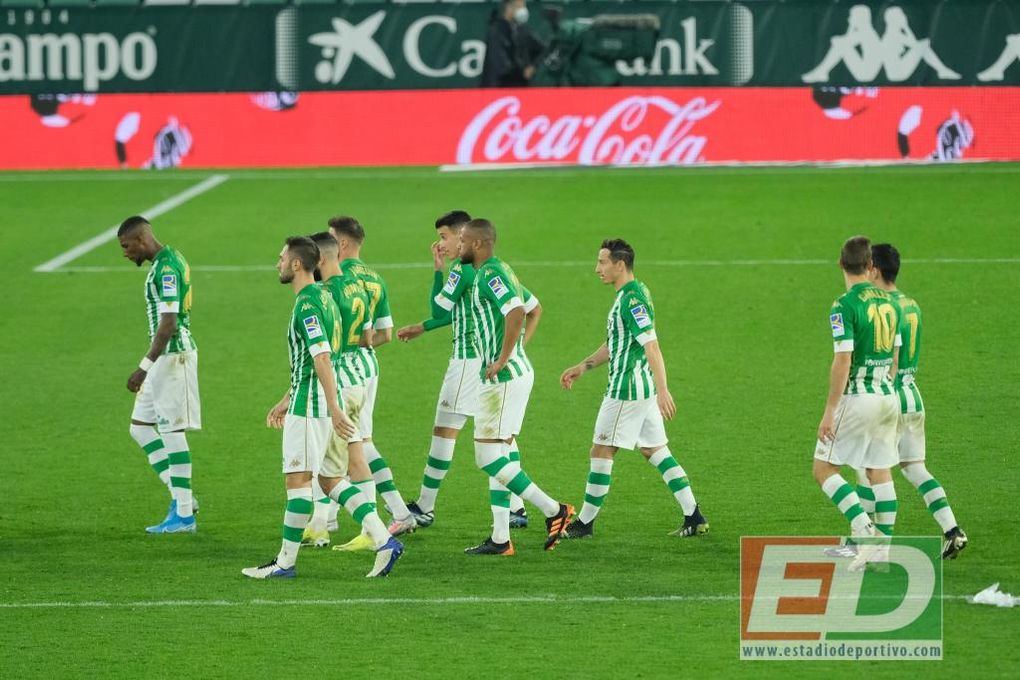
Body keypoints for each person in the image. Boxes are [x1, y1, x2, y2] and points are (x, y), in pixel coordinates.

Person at [242, 237, 402, 579]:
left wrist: (330, 406)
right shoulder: (325, 297)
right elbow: (314, 359)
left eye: (281, 258)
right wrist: (289, 398)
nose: (277, 263)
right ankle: (384, 540)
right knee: (330, 480)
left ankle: (285, 563)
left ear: (297, 264)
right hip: (324, 399)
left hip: (313, 407)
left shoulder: (307, 305)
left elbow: (322, 357)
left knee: (298, 482)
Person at [397, 211, 541, 529]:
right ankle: (517, 508)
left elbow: (440, 308)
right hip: (490, 360)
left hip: (467, 362)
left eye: (446, 237)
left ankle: (425, 505)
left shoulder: (462, 270)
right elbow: (532, 307)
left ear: (465, 237)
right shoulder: (491, 270)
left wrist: (437, 269)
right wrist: (514, 350)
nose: (441, 244)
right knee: (501, 437)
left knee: (445, 431)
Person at [560, 240, 708, 539]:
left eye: (602, 262)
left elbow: (651, 345)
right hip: (642, 389)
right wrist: (584, 366)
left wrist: (664, 390)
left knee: (601, 451)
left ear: (619, 264)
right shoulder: (633, 293)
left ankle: (584, 524)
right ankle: (694, 516)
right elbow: (616, 342)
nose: (597, 268)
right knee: (655, 450)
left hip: (626, 391)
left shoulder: (632, 300)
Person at [458, 218, 573, 554]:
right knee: (501, 453)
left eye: (463, 240)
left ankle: (554, 510)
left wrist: (503, 358)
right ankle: (500, 538)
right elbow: (534, 308)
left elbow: (518, 312)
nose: (459, 246)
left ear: (477, 244)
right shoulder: (499, 270)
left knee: (486, 457)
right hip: (510, 374)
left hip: (503, 378)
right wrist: (515, 352)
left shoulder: (490, 274)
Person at [858, 244, 967, 560]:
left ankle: (862, 543)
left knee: (867, 470)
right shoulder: (912, 305)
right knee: (915, 468)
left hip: (889, 397)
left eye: (868, 266)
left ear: (876, 270)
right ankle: (952, 530)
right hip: (912, 395)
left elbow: (889, 356)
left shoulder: (883, 308)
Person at [330, 216, 418, 545]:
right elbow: (385, 334)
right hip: (369, 364)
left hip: (346, 367)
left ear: (342, 243)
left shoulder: (338, 277)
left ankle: (372, 520)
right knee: (359, 440)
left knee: (349, 442)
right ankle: (394, 511)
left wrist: (348, 348)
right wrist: (363, 346)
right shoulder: (375, 277)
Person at [813, 236, 899, 571]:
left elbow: (843, 359)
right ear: (870, 266)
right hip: (886, 394)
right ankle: (882, 550)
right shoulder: (890, 301)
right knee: (879, 468)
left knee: (823, 468)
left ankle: (864, 529)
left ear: (840, 264)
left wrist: (830, 410)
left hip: (858, 396)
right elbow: (895, 353)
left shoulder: (844, 306)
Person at [118, 216, 200, 534]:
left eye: (127, 246)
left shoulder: (166, 268)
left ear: (141, 240)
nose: (125, 253)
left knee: (171, 431)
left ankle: (184, 515)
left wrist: (144, 366)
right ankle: (182, 497)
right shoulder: (169, 258)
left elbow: (169, 323)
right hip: (164, 358)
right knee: (140, 427)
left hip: (173, 357)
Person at [300, 231, 374, 548]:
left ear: (320, 259)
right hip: (360, 376)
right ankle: (323, 524)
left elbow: (323, 353)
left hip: (339, 382)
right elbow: (368, 337)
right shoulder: (357, 286)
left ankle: (341, 528)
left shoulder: (324, 295)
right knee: (355, 455)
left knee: (324, 461)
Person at [481, 0, 543, 88]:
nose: (524, 10)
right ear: (509, 8)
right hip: (499, 88)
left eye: (524, 6)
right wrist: (522, 73)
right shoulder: (497, 31)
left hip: (519, 88)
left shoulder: (522, 30)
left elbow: (541, 49)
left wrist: (533, 66)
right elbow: (501, 65)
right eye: (520, 7)